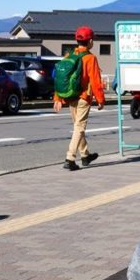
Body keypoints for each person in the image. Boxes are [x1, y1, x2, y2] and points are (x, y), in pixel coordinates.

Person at [53, 25, 106, 171]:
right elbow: (95, 81)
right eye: (92, 40)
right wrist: (100, 100)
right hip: (83, 97)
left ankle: (85, 155)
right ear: (89, 42)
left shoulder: (69, 56)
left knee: (78, 127)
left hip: (71, 97)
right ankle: (70, 158)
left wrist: (57, 97)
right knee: (79, 127)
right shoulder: (90, 58)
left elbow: (59, 78)